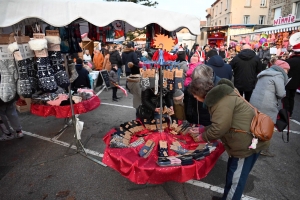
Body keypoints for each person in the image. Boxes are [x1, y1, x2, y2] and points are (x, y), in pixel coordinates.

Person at [188, 76, 269, 200]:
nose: (194, 98)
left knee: (236, 179)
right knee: (233, 174)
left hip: (246, 144)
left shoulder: (221, 101)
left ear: (200, 93)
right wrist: (202, 129)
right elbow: (222, 122)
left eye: (194, 95)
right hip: (244, 140)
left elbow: (219, 128)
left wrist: (202, 137)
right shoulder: (221, 95)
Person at [250, 59, 290, 157]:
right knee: (268, 126)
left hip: (254, 102)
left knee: (255, 123)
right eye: (287, 70)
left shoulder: (264, 73)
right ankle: (263, 148)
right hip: (267, 104)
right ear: (282, 68)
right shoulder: (279, 76)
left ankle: (252, 143)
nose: (287, 72)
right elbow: (281, 93)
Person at [282, 43, 300, 118]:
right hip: (297, 82)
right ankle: (290, 113)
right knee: (292, 98)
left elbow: (283, 69)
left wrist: (283, 59)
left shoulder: (291, 61)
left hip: (288, 82)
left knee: (286, 98)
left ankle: (286, 113)